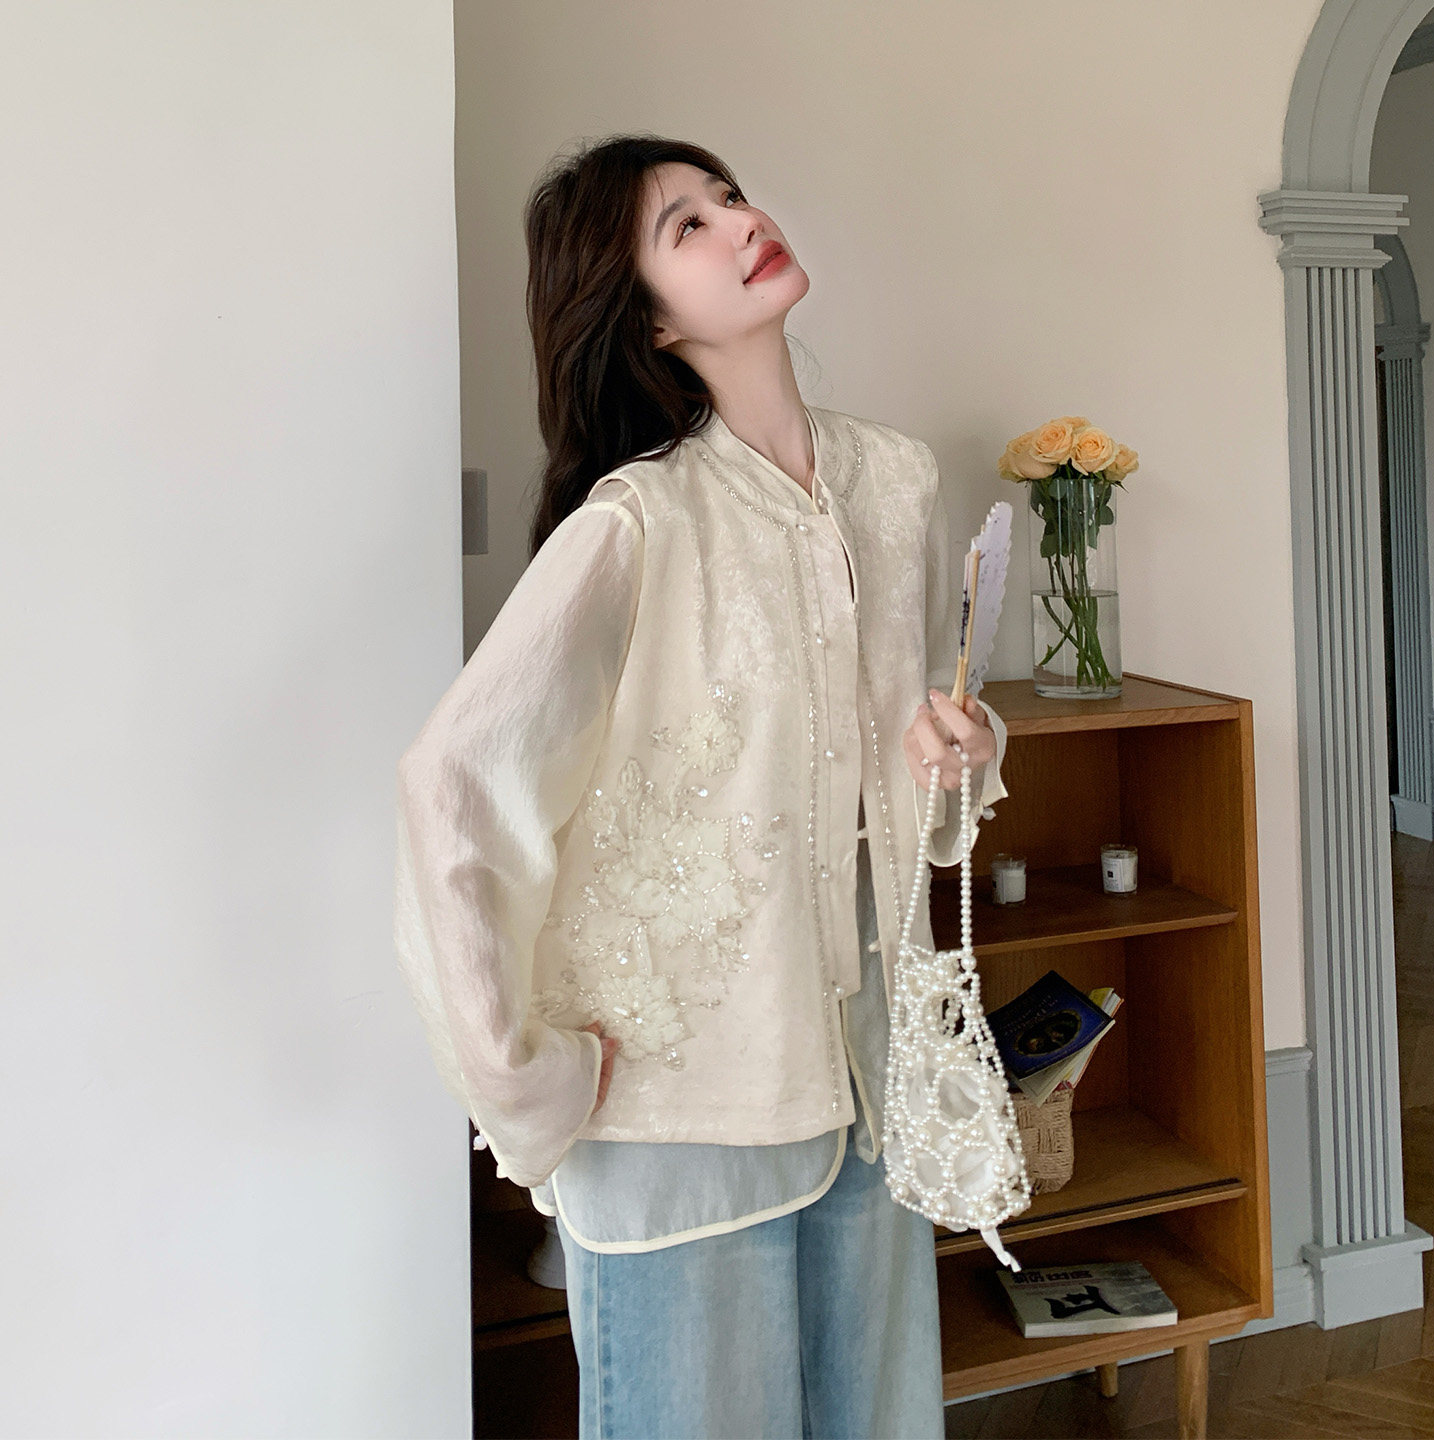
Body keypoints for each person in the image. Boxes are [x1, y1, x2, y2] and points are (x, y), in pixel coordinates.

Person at [393, 133, 1010, 1440]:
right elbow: (452, 784)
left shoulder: (894, 483)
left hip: (872, 1087)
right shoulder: (637, 524)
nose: (741, 220)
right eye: (688, 224)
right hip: (675, 1114)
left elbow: (900, 767)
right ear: (651, 323)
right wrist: (526, 1082)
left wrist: (960, 756)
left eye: (728, 195)